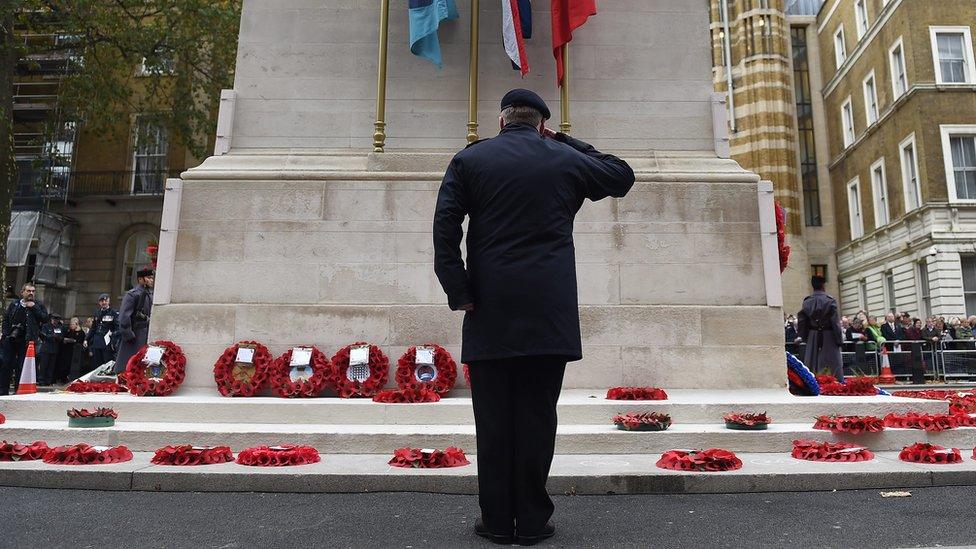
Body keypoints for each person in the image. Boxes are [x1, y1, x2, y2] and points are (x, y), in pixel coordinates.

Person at [433, 89, 634, 545]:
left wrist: (457, 289)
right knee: (537, 416)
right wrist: (566, 140)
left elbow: (445, 227)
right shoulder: (563, 157)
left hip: (488, 307)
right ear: (542, 123)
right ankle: (533, 519)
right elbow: (621, 175)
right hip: (549, 310)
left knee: (494, 418)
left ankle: (499, 520)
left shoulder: (471, 159)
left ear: (501, 122)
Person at [0, 283, 49, 394]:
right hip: (11, 338)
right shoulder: (15, 304)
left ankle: (18, 390)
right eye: (28, 291)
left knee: (21, 366)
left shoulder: (38, 305)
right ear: (22, 292)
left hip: (27, 340)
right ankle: (3, 391)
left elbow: (45, 318)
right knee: (6, 364)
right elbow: (6, 319)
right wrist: (6, 333)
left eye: (33, 291)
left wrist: (34, 307)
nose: (31, 293)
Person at [796, 275, 844, 381]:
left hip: (813, 335)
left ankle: (811, 382)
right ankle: (836, 383)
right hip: (829, 335)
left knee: (811, 362)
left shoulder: (807, 301)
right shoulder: (830, 301)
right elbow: (835, 322)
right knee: (833, 363)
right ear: (823, 285)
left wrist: (802, 336)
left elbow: (802, 321)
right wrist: (839, 340)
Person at [114, 268, 154, 375]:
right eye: (149, 278)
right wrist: (129, 335)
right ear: (141, 279)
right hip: (136, 335)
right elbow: (124, 317)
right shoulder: (132, 294)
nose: (151, 280)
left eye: (152, 278)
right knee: (130, 367)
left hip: (147, 333)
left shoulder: (150, 294)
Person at [85, 293, 119, 373]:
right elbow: (93, 328)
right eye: (102, 301)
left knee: (107, 363)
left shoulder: (113, 313)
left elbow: (118, 328)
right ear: (99, 302)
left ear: (108, 301)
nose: (104, 302)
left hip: (107, 342)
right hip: (97, 341)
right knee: (96, 363)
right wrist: (86, 339)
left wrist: (113, 335)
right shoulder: (97, 313)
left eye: (105, 301)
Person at [38, 314, 65, 386]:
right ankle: (41, 380)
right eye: (54, 319)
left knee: (51, 366)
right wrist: (53, 336)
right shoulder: (46, 326)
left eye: (57, 319)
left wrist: (58, 337)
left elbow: (61, 336)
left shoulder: (59, 327)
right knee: (44, 365)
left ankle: (48, 380)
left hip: (54, 348)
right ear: (51, 319)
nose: (55, 321)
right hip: (46, 348)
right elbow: (44, 335)